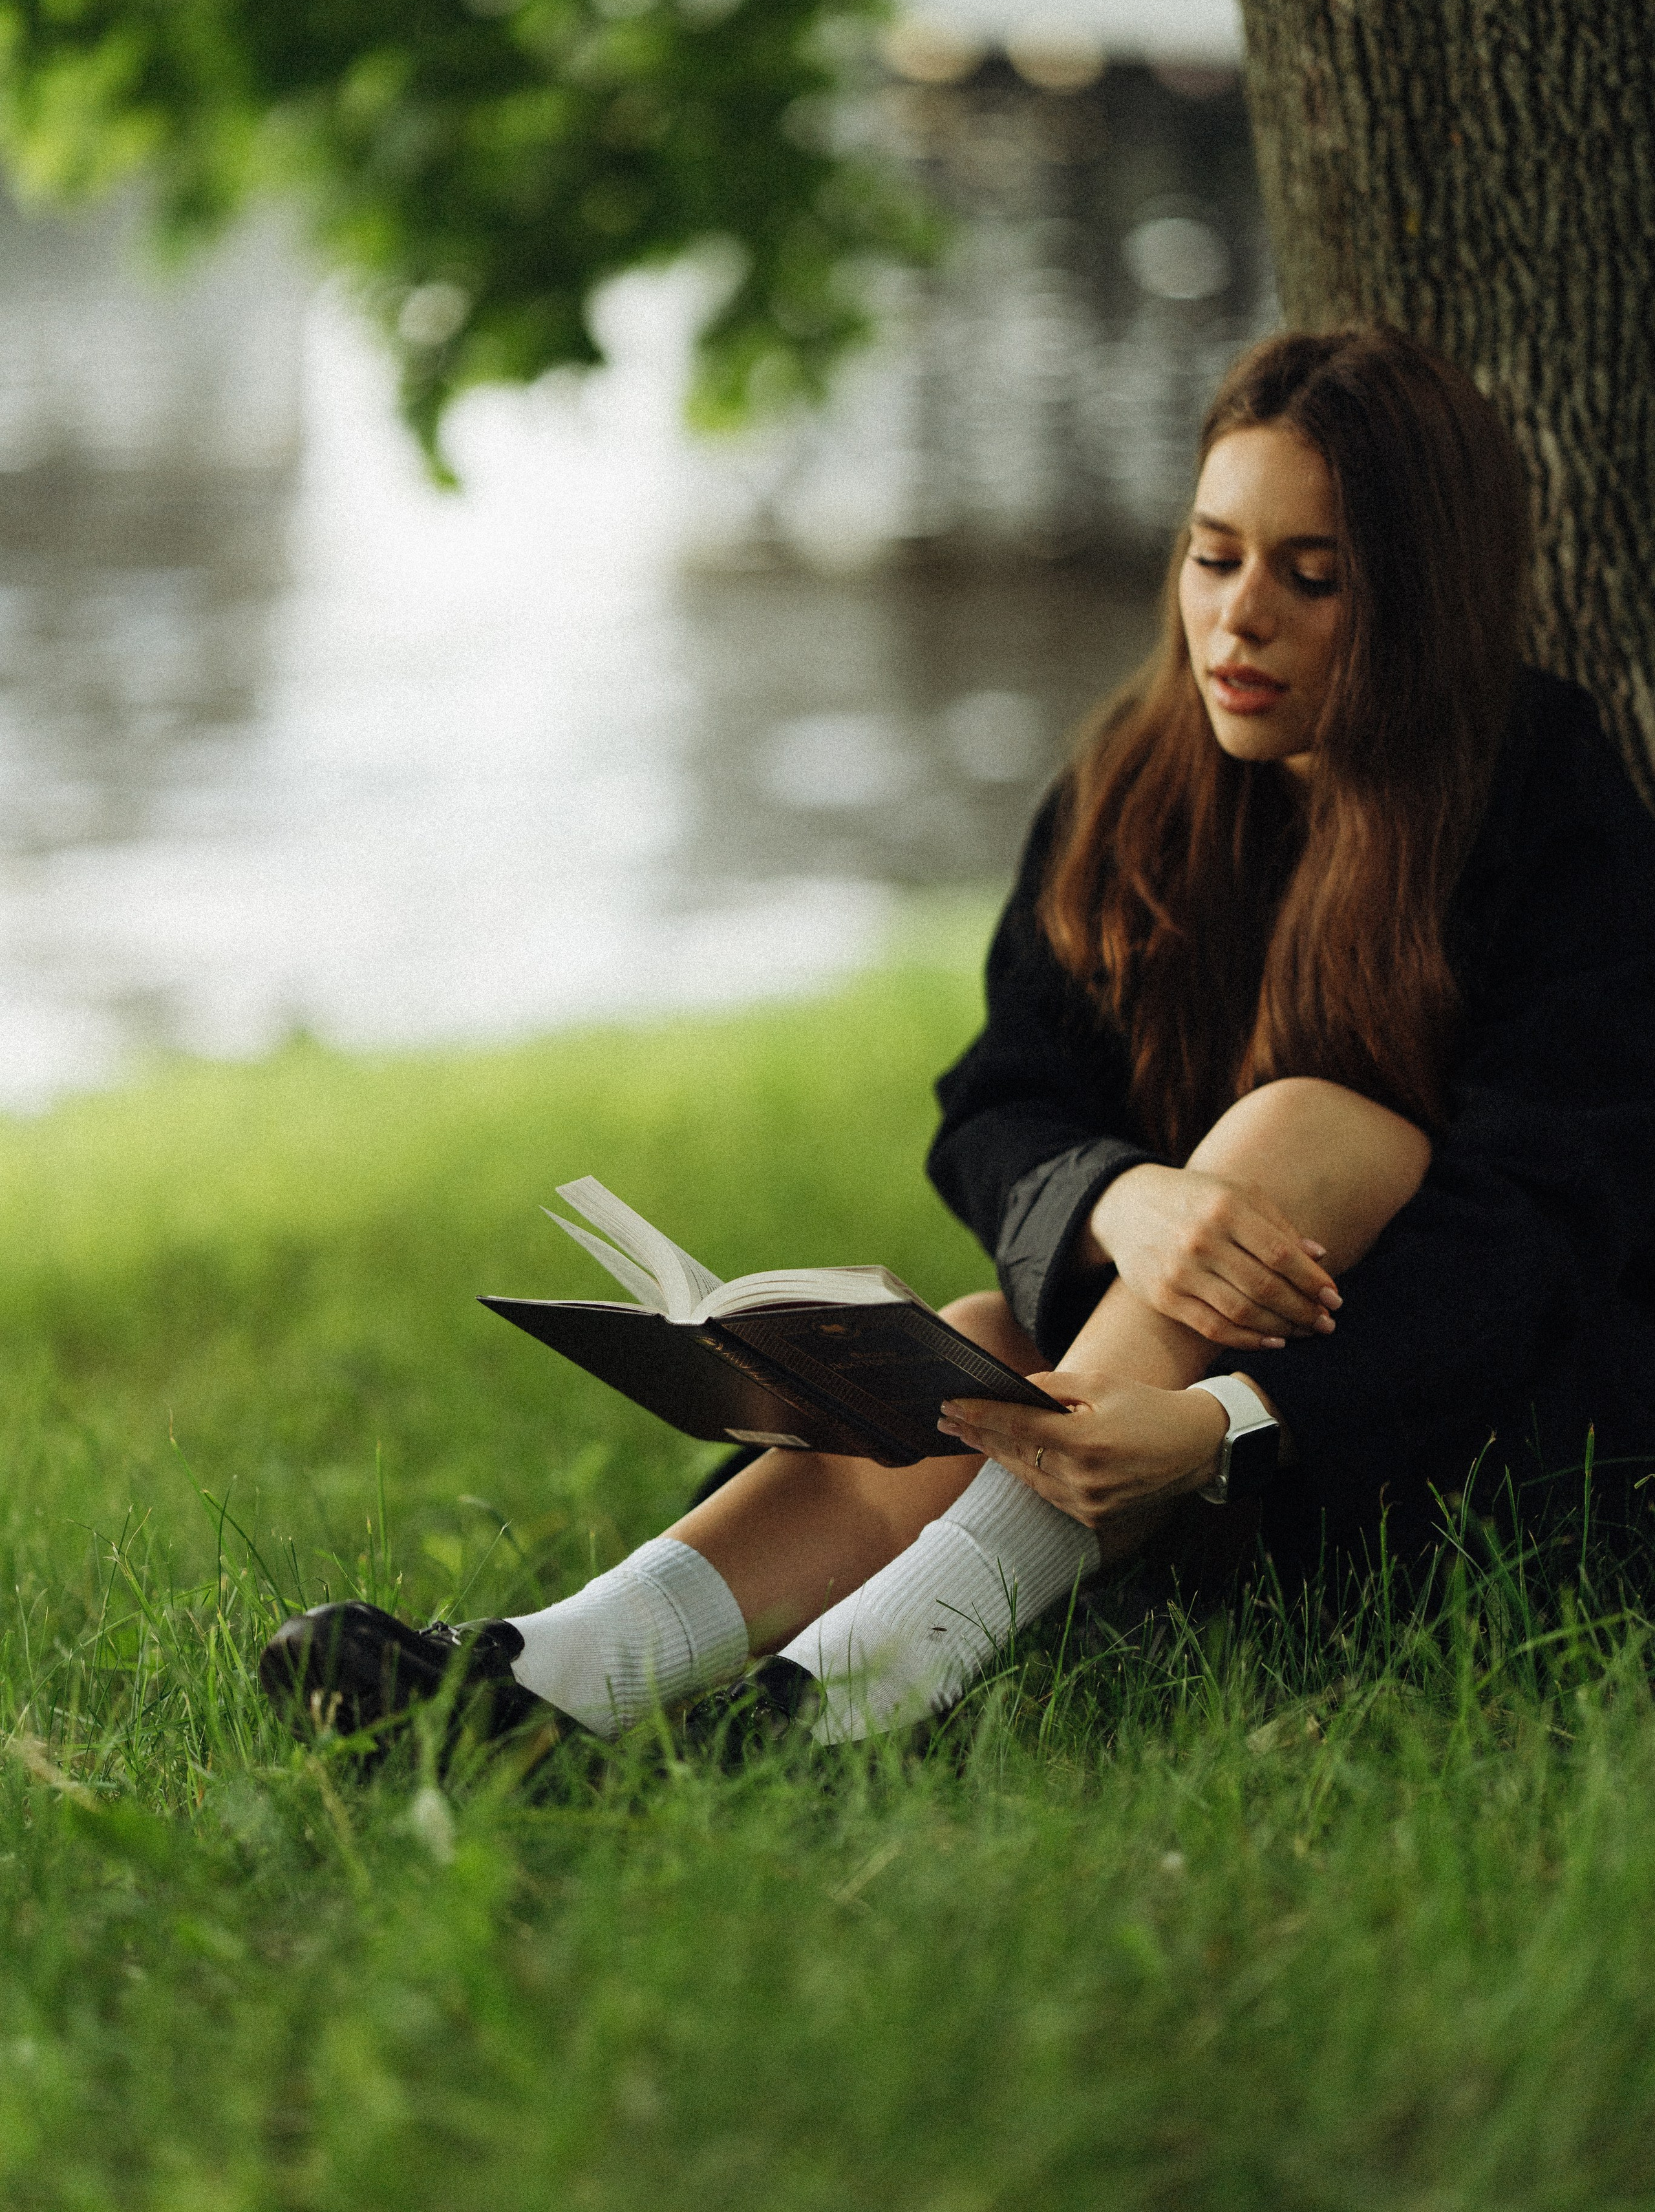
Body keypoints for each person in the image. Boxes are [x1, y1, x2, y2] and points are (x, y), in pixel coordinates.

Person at [260, 325, 1655, 1754]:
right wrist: (1125, 1196)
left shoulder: (1541, 805)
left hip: (1451, 1437)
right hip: (1168, 1426)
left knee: (1306, 1130)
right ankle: (551, 1673)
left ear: (1422, 598)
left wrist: (1235, 1420)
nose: (1238, 621)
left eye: (1311, 578)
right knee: (976, 1350)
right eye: (1210, 556)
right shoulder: (1134, 788)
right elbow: (997, 1101)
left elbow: (1538, 1230)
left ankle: (840, 1696)